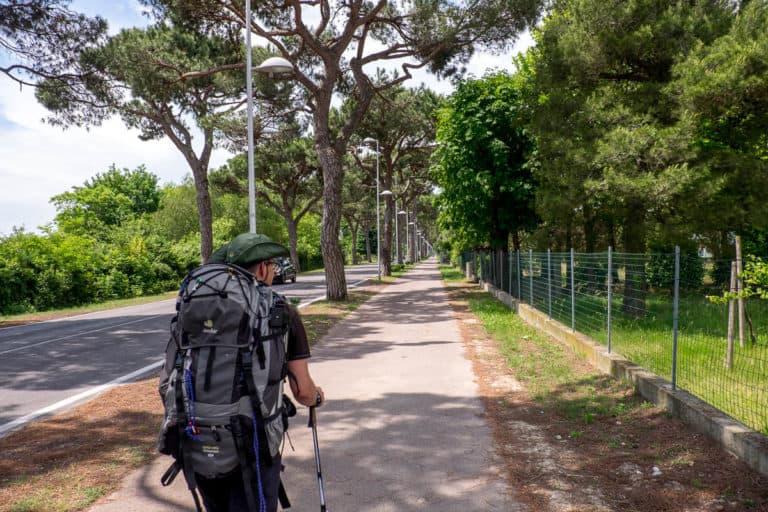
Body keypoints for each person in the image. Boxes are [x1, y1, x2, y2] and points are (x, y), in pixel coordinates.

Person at [195, 233, 325, 512]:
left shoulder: (199, 306)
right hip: (253, 442)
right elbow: (302, 391)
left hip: (197, 439)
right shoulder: (280, 310)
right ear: (263, 268)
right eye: (273, 265)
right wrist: (316, 398)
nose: (275, 271)